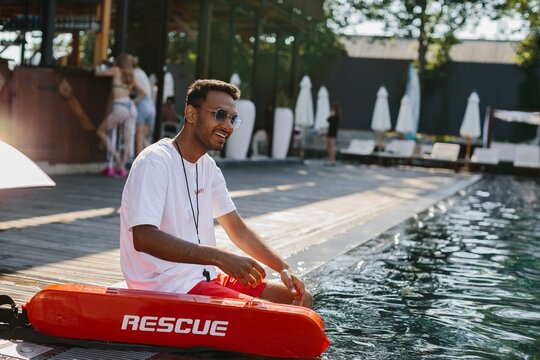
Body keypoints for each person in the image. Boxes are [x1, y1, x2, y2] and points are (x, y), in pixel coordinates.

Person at [120, 79, 312, 307]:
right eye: (220, 115)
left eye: (233, 119)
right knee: (271, 317)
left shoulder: (207, 166)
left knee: (297, 299)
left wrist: (283, 268)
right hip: (167, 286)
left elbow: (237, 229)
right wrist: (220, 257)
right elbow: (144, 238)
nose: (228, 126)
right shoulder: (155, 161)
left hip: (202, 277)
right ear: (191, 114)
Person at [95, 53, 146, 177]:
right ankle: (122, 166)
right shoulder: (131, 75)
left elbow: (98, 73)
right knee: (128, 138)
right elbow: (144, 93)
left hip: (119, 107)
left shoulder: (116, 70)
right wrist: (133, 101)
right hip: (130, 107)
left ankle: (116, 156)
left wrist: (97, 66)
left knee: (100, 131)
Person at [132, 56, 157, 155]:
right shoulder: (141, 72)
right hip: (151, 106)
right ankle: (154, 155)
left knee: (139, 136)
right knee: (143, 137)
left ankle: (140, 162)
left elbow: (143, 93)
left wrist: (133, 101)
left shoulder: (133, 74)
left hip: (143, 105)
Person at [326, 101, 342, 166]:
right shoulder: (332, 115)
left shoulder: (337, 116)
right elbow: (327, 120)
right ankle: (330, 159)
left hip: (333, 132)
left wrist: (332, 115)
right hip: (329, 131)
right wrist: (331, 115)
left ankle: (333, 160)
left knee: (332, 146)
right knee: (328, 146)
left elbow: (335, 122)